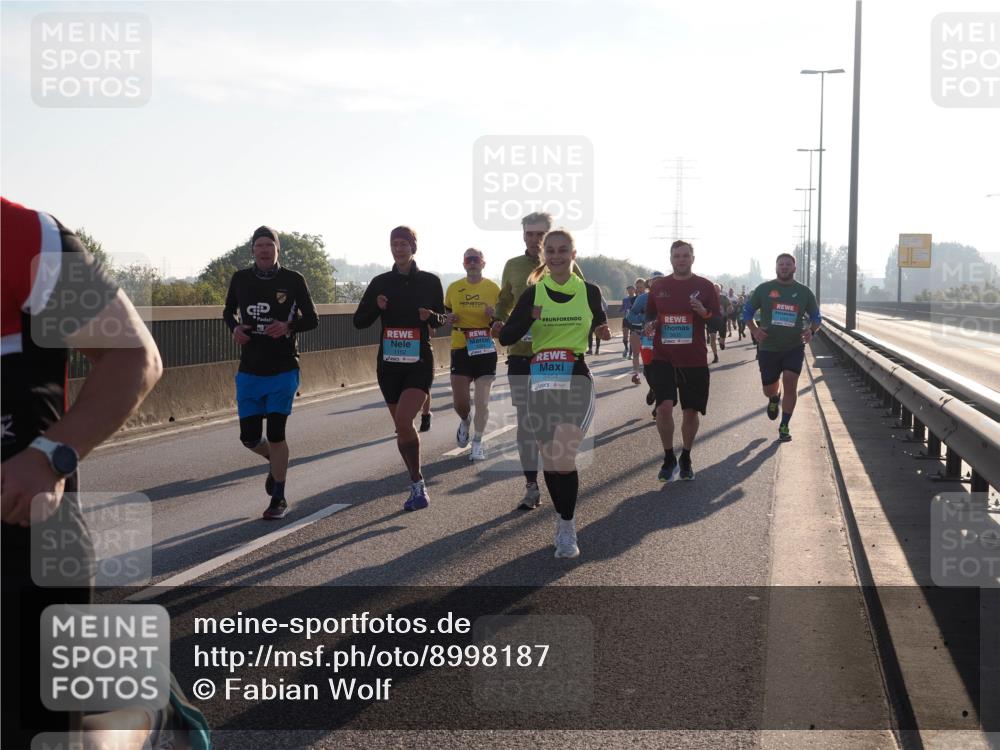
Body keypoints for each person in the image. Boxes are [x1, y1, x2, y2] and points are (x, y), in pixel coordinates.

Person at [1, 197, 163, 747]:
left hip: (22, 541)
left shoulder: (23, 236)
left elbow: (134, 357)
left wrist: (49, 457)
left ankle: (143, 712)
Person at [498, 229, 610, 557]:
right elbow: (507, 339)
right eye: (552, 250)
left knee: (564, 456)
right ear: (544, 255)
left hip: (575, 376)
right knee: (551, 459)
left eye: (564, 250)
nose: (557, 256)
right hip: (541, 380)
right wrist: (525, 319)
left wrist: (602, 330)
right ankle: (563, 521)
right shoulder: (533, 294)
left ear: (574, 254)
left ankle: (567, 526)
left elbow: (601, 324)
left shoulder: (589, 291)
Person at [224, 226, 319, 520]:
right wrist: (235, 328)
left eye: (269, 245)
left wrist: (288, 326)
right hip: (250, 369)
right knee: (250, 438)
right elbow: (228, 311)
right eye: (259, 245)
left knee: (276, 434)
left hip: (283, 367)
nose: (264, 250)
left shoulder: (292, 280)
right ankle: (272, 460)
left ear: (278, 249)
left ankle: (278, 496)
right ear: (252, 249)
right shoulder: (241, 279)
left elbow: (312, 319)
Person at [493, 212, 585, 511]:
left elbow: (583, 304)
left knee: (555, 425)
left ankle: (559, 475)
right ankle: (531, 485)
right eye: (530, 234)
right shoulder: (513, 266)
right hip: (522, 354)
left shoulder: (568, 268)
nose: (534, 239)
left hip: (558, 357)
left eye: (540, 234)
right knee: (526, 421)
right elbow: (505, 302)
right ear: (523, 236)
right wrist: (500, 322)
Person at [354, 226, 445, 510]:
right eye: (395, 244)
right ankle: (415, 479)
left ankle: (418, 487)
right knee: (401, 426)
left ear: (413, 247)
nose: (399, 248)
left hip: (419, 361)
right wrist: (376, 307)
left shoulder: (430, 281)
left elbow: (441, 320)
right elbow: (359, 321)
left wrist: (431, 316)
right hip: (389, 364)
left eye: (404, 243)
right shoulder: (380, 282)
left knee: (405, 420)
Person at [643, 240, 723, 481]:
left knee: (690, 412)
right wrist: (650, 325)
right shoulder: (659, 287)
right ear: (671, 259)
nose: (681, 259)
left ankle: (686, 456)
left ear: (693, 258)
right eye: (677, 255)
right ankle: (668, 458)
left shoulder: (706, 287)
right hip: (663, 358)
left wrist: (704, 312)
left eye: (685, 255)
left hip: (694, 359)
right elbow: (649, 315)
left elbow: (718, 323)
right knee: (664, 408)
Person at [744, 253, 821, 442]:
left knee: (790, 381)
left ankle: (785, 425)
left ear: (794, 268)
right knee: (769, 389)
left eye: (788, 264)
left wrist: (811, 330)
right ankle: (773, 398)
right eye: (781, 264)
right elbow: (746, 312)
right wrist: (754, 329)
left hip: (793, 346)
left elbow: (817, 317)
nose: (784, 267)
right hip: (768, 347)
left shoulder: (804, 292)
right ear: (776, 267)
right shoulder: (764, 289)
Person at [443, 247, 501, 461]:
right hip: (461, 347)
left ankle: (477, 441)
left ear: (483, 263)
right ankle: (465, 421)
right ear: (464, 264)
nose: (473, 263)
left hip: (485, 347)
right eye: (469, 260)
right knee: (460, 401)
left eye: (476, 259)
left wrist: (494, 316)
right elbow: (446, 312)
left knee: (482, 401)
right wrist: (448, 318)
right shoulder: (454, 288)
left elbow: (504, 318)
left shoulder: (493, 288)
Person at [626, 278, 648, 384]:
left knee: (648, 355)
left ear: (645, 287)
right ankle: (636, 374)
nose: (639, 289)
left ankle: (649, 376)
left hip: (648, 331)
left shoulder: (650, 298)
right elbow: (629, 315)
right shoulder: (632, 300)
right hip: (635, 329)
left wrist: (642, 317)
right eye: (637, 287)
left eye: (641, 287)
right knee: (635, 353)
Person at [620, 285, 636, 358]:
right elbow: (622, 308)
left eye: (631, 289)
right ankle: (626, 348)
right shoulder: (625, 300)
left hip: (633, 320)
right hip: (626, 319)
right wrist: (620, 309)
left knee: (632, 337)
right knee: (625, 337)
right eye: (628, 290)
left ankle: (630, 354)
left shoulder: (637, 298)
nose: (629, 291)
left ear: (634, 290)